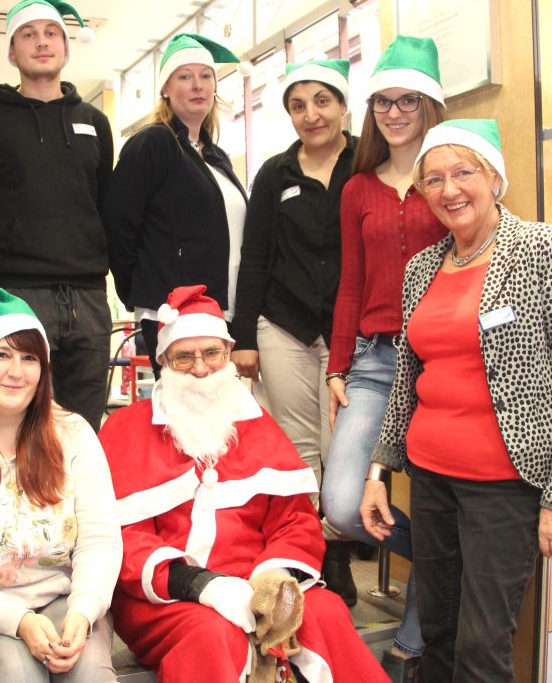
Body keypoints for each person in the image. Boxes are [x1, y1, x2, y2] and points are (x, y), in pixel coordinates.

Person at [361, 119, 552, 682]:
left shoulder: (539, 248)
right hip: (431, 479)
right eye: (434, 179)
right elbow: (406, 381)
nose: (449, 190)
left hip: (504, 486)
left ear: (493, 177)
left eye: (463, 172)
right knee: (437, 634)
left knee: (482, 645)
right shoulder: (422, 267)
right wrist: (378, 471)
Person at [99, 285, 388, 683]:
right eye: (184, 356)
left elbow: (295, 522)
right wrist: (200, 585)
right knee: (213, 633)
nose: (200, 368)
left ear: (228, 354)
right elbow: (122, 538)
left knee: (326, 612)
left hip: (259, 584)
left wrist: (273, 582)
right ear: (164, 360)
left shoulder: (257, 423)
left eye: (211, 353)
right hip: (166, 598)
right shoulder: (126, 429)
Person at [317, 35, 447, 679]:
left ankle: (412, 645)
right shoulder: (357, 188)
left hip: (443, 363)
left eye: (408, 101)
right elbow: (349, 281)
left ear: (429, 106)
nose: (395, 112)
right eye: (384, 102)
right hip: (372, 361)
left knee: (436, 498)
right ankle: (450, 550)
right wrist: (339, 366)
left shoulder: (448, 177)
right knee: (341, 504)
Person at [0, 288, 122, 683]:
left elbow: (100, 540)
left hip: (64, 601)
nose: (16, 371)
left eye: (29, 358)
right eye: (2, 355)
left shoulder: (74, 435)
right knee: (15, 672)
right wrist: (19, 621)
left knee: (90, 673)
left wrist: (84, 610)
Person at [230, 59, 360, 604]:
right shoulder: (275, 174)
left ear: (343, 105)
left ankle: (340, 544)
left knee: (343, 452)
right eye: (298, 105)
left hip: (350, 329)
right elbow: (255, 254)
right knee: (297, 447)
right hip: (282, 324)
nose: (311, 115)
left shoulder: (367, 164)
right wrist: (243, 337)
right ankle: (311, 555)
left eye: (321, 101)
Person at [0, 0, 113, 432]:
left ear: (66, 46)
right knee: (15, 425)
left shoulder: (93, 122)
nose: (42, 43)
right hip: (17, 293)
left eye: (51, 33)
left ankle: (75, 502)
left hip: (87, 298)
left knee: (83, 429)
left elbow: (104, 205)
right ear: (11, 51)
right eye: (29, 34)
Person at [104, 33, 247, 378]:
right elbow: (118, 224)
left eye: (205, 76)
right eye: (185, 76)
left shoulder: (216, 157)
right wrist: (141, 295)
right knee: (185, 419)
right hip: (172, 311)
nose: (197, 85)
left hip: (218, 311)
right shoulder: (153, 143)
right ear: (166, 89)